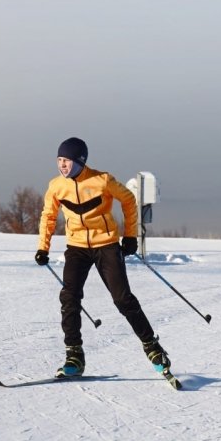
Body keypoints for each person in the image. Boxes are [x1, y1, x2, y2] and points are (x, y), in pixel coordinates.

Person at [34, 137, 171, 378]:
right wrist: (43, 248)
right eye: (59, 161)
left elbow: (128, 199)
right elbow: (48, 215)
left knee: (122, 299)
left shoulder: (102, 180)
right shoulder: (56, 186)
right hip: (76, 247)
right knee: (69, 298)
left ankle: (152, 346)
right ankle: (74, 355)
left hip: (106, 245)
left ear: (80, 161)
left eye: (66, 161)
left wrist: (130, 236)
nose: (62, 165)